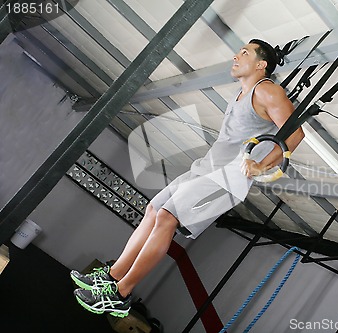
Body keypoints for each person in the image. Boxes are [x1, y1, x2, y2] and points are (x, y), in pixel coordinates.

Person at [71, 39, 305, 317]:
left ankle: (121, 294)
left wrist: (260, 165)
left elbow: (294, 134)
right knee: (154, 210)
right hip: (207, 167)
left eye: (245, 53)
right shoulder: (242, 93)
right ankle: (111, 277)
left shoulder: (268, 91)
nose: (236, 55)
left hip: (227, 178)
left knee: (167, 218)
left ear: (261, 64)